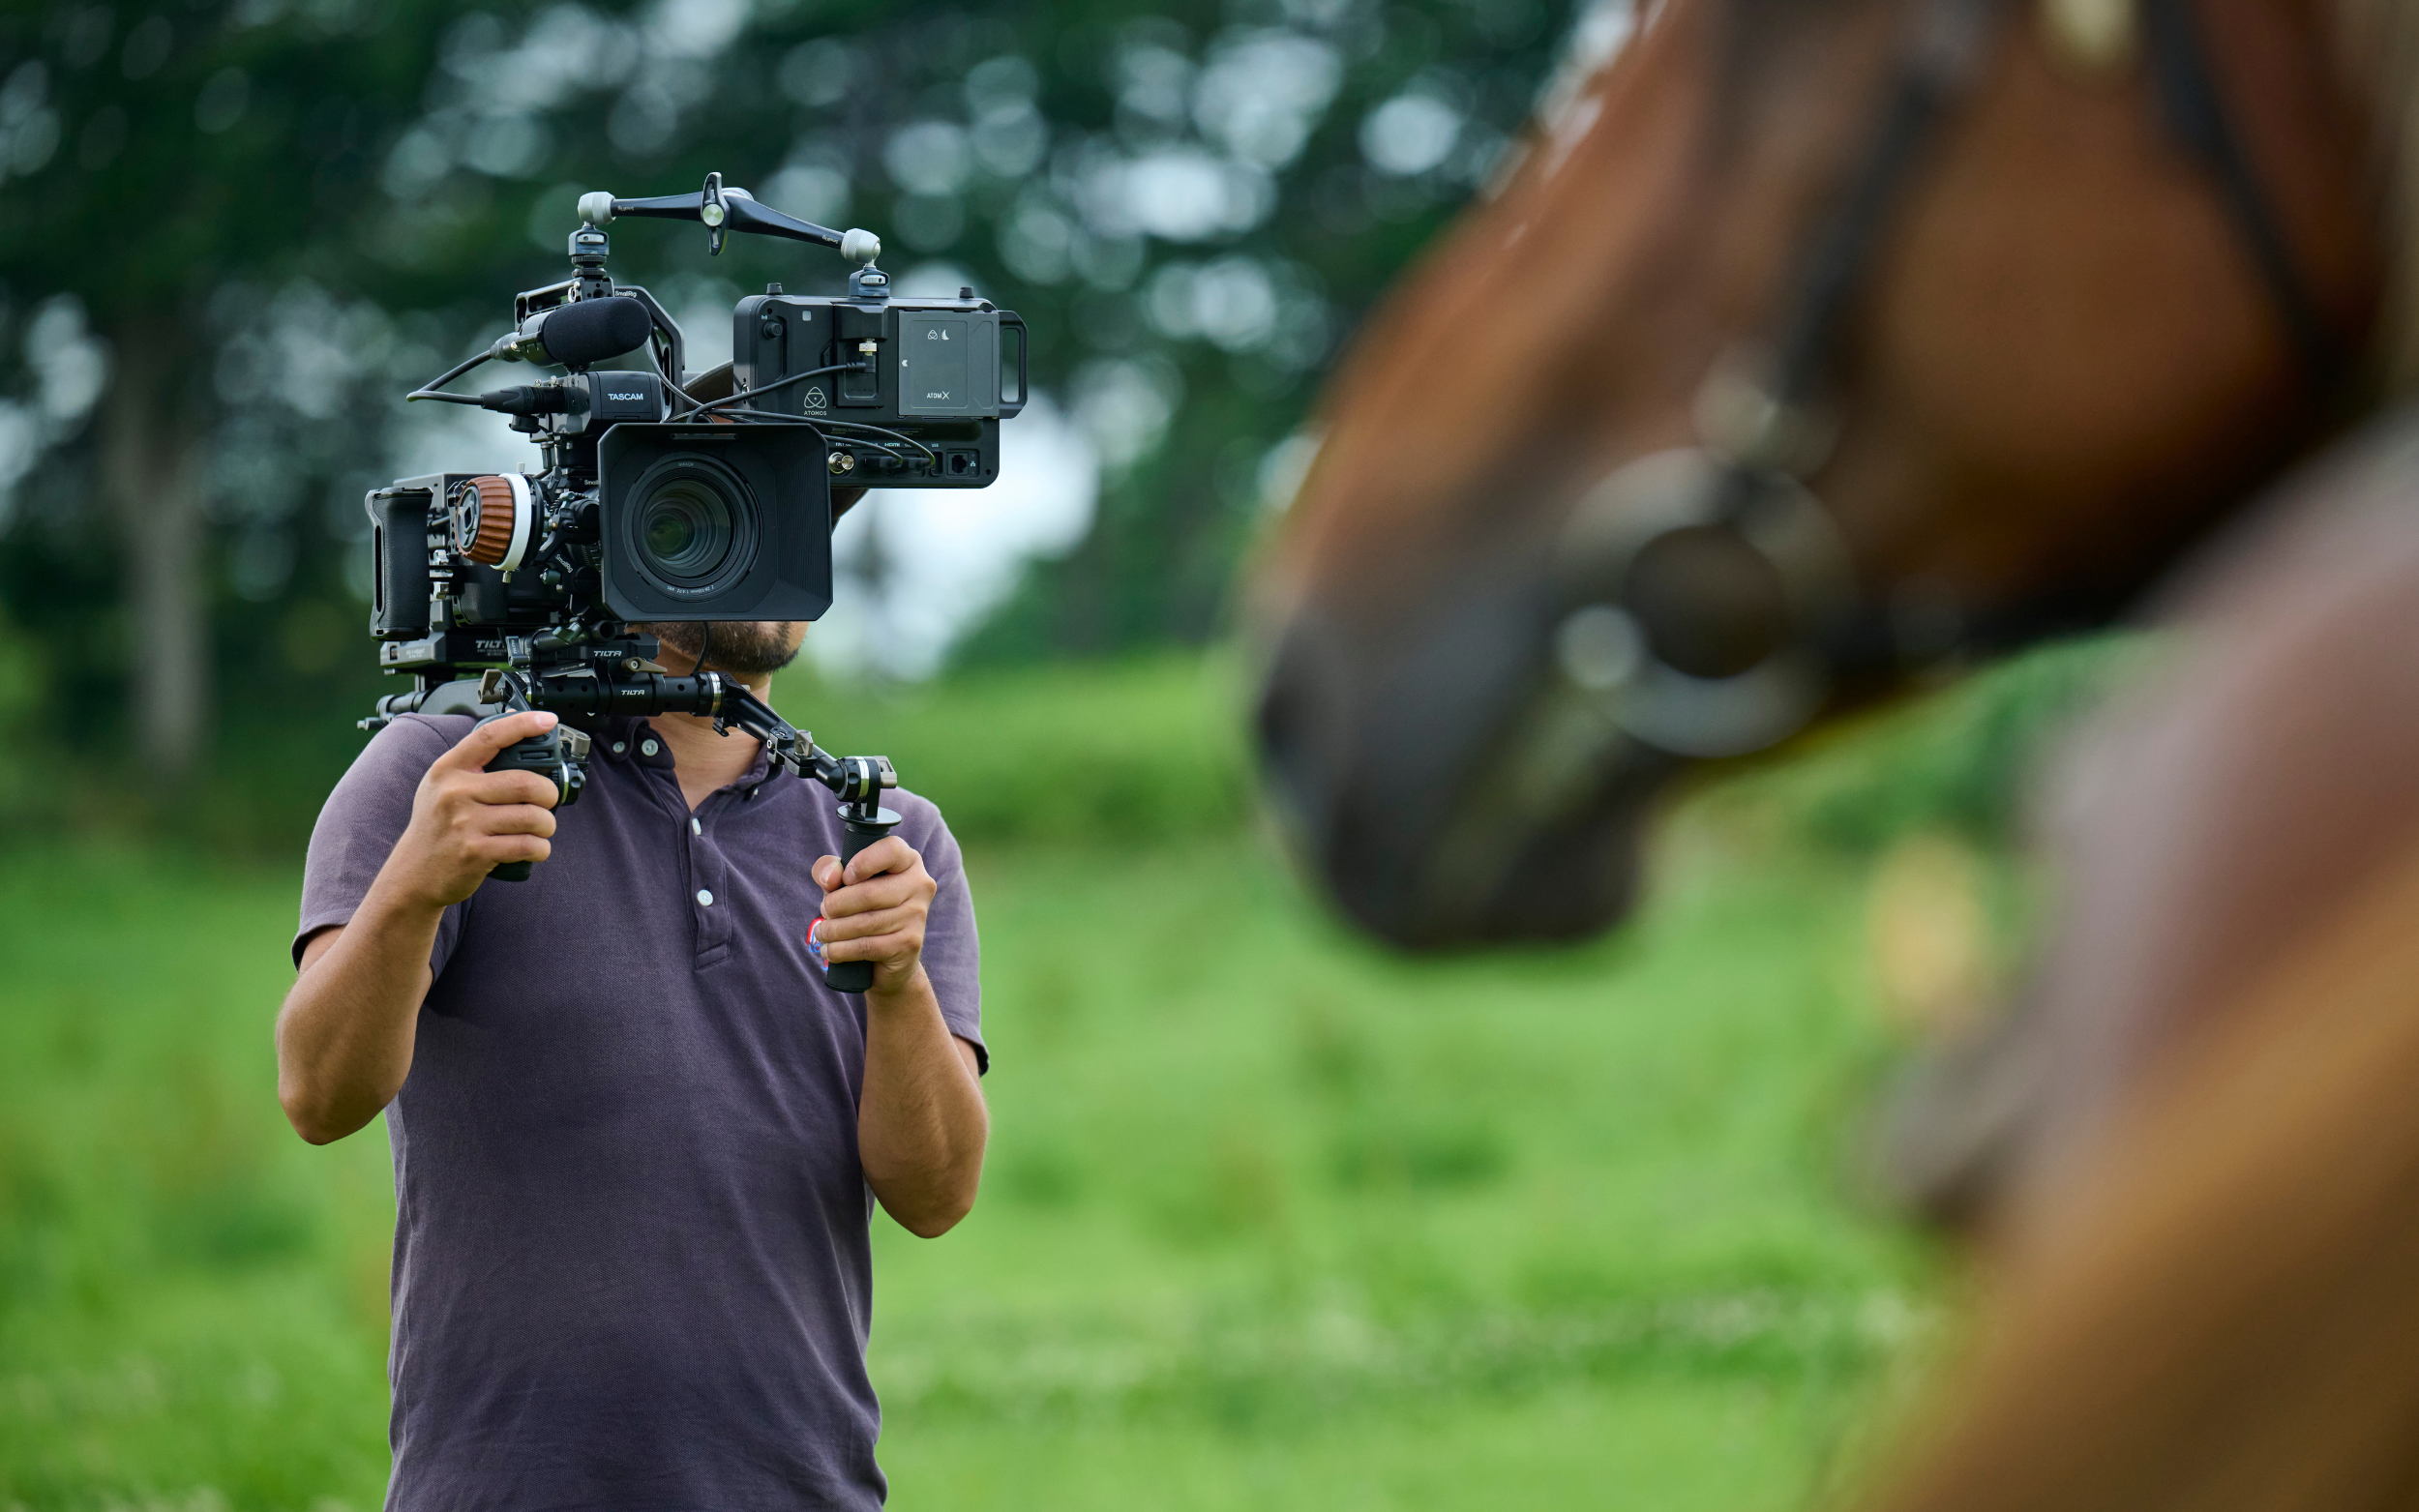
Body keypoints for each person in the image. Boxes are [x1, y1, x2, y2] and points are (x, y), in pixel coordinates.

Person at [275, 617, 988, 1510]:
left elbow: (938, 1195)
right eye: (708, 488)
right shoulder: (460, 777)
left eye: (792, 488)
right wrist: (415, 884)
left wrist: (899, 984)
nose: (758, 527)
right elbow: (318, 1092)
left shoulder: (885, 833)